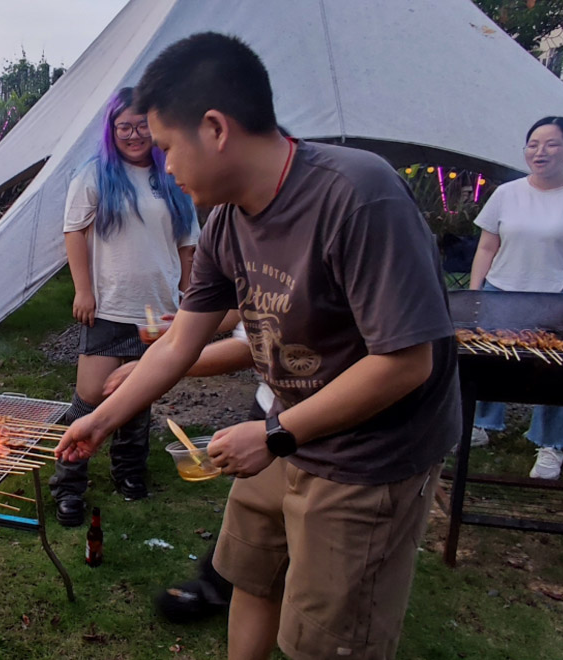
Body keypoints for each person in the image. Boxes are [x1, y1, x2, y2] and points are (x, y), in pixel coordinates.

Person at [56, 32, 460, 660]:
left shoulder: (356, 195)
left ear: (215, 128)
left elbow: (404, 364)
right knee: (250, 576)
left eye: (167, 147)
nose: (165, 167)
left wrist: (273, 436)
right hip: (287, 432)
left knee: (324, 639)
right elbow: (178, 343)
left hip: (368, 455)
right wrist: (100, 421)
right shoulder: (225, 219)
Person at [49, 87, 199, 527]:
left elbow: (188, 242)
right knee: (89, 399)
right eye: (124, 127)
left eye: (141, 126)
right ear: (111, 131)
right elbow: (74, 231)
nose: (134, 135)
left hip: (159, 309)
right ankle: (68, 484)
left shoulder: (172, 173)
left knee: (139, 395)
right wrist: (83, 290)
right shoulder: (95, 174)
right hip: (110, 305)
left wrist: (189, 295)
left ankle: (130, 472)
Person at [468, 116, 563, 480]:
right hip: (502, 287)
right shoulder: (507, 193)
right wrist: (474, 293)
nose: (540, 151)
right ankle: (481, 425)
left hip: (561, 291)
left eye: (551, 144)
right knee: (490, 360)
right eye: (533, 144)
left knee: (556, 371)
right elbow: (487, 245)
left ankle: (552, 444)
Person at [104, 313, 269, 623]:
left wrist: (159, 366)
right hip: (271, 405)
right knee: (251, 525)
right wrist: (185, 327)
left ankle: (226, 586)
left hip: (338, 429)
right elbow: (241, 306)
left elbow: (249, 347)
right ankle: (219, 584)